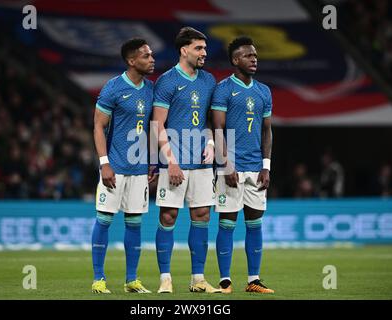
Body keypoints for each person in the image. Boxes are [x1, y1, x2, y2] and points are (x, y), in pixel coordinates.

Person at [152, 27, 220, 293]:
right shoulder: (167, 81)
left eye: (204, 48)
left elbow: (213, 121)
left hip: (202, 163)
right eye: (199, 48)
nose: (204, 53)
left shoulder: (209, 81)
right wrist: (170, 161)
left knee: (202, 215)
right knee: (168, 216)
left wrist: (213, 144)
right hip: (175, 161)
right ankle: (165, 279)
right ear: (184, 50)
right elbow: (157, 124)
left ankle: (198, 279)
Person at [91, 38, 156, 294]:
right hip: (115, 168)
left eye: (151, 55)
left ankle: (131, 280)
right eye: (146, 56)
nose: (152, 59)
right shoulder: (113, 88)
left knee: (134, 223)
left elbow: (152, 127)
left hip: (140, 170)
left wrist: (152, 158)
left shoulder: (151, 89)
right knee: (104, 220)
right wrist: (104, 164)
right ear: (132, 61)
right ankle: (98, 279)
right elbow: (98, 126)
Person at [211, 36, 275, 294]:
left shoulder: (264, 91)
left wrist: (266, 166)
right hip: (232, 168)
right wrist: (226, 164)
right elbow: (217, 128)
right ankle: (225, 281)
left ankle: (254, 280)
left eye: (256, 56)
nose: (254, 59)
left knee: (254, 223)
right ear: (236, 60)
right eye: (249, 56)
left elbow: (267, 131)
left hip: (256, 169)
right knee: (227, 223)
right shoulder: (224, 89)